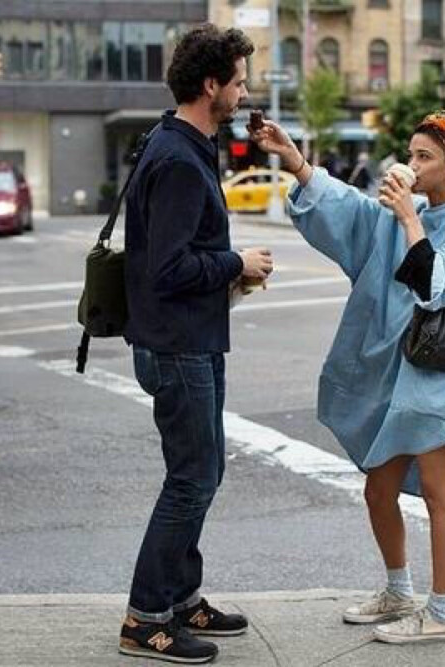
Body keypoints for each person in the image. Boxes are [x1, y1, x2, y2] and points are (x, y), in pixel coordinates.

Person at [249, 109, 445, 644]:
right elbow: (349, 213)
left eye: (424, 157)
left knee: (437, 492)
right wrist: (295, 162)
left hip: (439, 377)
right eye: (410, 154)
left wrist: (409, 217)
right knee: (378, 491)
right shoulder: (395, 215)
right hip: (395, 378)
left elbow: (437, 286)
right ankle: (399, 591)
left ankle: (443, 614)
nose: (411, 164)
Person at [119, 24, 273, 664]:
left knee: (202, 473)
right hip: (178, 344)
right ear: (211, 85)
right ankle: (146, 618)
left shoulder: (178, 141)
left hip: (189, 338)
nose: (244, 92)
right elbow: (169, 268)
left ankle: (183, 599)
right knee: (191, 478)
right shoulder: (179, 158)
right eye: (238, 81)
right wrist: (237, 264)